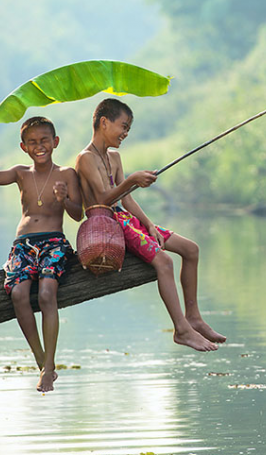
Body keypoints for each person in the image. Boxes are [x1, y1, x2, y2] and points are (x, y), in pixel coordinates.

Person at [75, 98, 226, 352]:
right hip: (108, 224)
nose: (125, 134)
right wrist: (132, 179)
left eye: (128, 130)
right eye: (123, 127)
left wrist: (149, 224)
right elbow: (102, 198)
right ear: (104, 122)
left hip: (127, 220)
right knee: (164, 262)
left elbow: (127, 199)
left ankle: (194, 317)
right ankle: (181, 330)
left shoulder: (114, 156)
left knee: (191, 249)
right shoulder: (85, 158)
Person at [0, 116, 83, 392]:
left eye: (45, 141)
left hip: (54, 243)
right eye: (33, 142)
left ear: (55, 142)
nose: (40, 146)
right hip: (23, 244)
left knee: (48, 294)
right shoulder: (20, 173)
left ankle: (49, 366)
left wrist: (65, 199)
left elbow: (77, 213)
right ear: (24, 147)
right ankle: (42, 363)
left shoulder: (67, 174)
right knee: (18, 294)